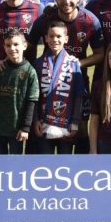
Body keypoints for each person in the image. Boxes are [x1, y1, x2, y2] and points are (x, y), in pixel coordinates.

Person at [27, 0, 104, 154]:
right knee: (42, 135)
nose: (66, 1)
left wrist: (76, 64)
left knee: (79, 131)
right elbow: (29, 47)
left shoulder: (90, 21)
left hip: (77, 84)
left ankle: (79, 174)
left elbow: (100, 54)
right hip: (47, 86)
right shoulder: (46, 19)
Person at [0, 29, 39, 155]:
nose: (12, 48)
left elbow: (32, 102)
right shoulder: (0, 69)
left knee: (15, 165)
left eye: (16, 44)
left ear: (24, 46)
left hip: (16, 130)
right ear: (4, 47)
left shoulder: (30, 72)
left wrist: (25, 128)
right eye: (8, 45)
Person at [33, 21, 84, 154]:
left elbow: (78, 96)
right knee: (45, 164)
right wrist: (35, 119)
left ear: (66, 39)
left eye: (59, 36)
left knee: (64, 164)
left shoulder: (73, 64)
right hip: (44, 122)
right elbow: (33, 96)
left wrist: (75, 122)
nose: (55, 39)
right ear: (46, 38)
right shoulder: (38, 64)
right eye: (51, 36)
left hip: (66, 124)